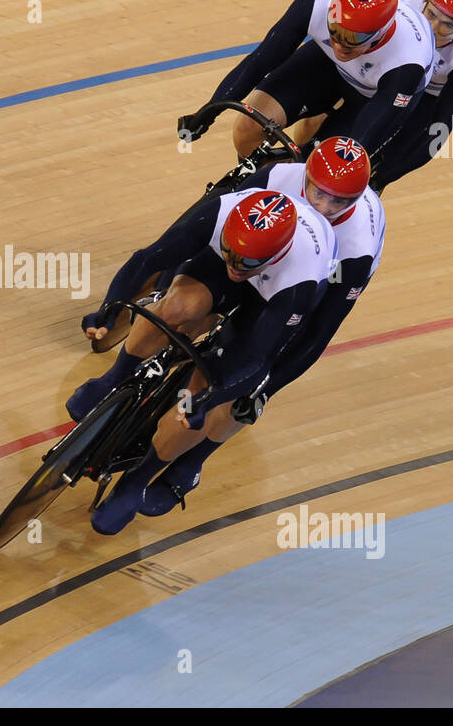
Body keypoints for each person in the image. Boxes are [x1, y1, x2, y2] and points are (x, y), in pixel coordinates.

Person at [137, 136, 385, 516]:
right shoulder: (278, 177)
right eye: (318, 193)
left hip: (306, 292)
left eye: (340, 202)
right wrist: (168, 284)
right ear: (306, 176)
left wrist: (267, 385)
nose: (325, 207)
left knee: (242, 394)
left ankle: (191, 464)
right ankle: (135, 380)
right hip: (256, 259)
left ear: (357, 198)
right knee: (182, 305)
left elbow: (317, 334)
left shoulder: (356, 248)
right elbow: (209, 230)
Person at [65, 189, 338, 535]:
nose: (235, 268)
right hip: (248, 250)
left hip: (271, 299)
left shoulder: (298, 282)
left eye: (246, 264)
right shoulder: (221, 214)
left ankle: (136, 483)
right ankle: (113, 379)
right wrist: (109, 307)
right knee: (176, 307)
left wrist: (207, 399)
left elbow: (255, 357)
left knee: (197, 403)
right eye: (229, 253)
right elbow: (148, 259)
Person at [177, 0, 434, 161]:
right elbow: (260, 61)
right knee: (248, 127)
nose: (341, 44)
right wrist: (208, 111)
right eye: (335, 30)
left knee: (324, 166)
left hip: (374, 97)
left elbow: (366, 136)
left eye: (353, 38)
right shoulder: (315, 3)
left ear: (380, 33)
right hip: (326, 66)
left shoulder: (406, 62)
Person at [293, 0, 453, 193]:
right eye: (432, 14)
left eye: (448, 25)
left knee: (365, 160)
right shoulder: (404, 10)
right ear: (425, 1)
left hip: (424, 99)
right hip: (379, 81)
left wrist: (383, 178)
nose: (434, 29)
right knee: (312, 123)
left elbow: (440, 128)